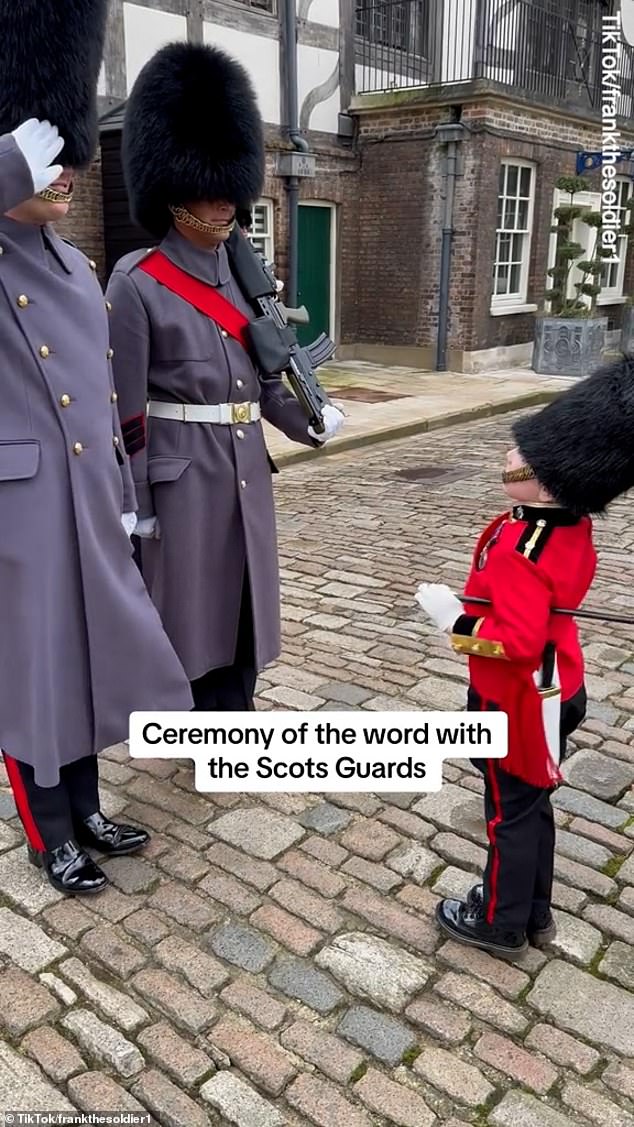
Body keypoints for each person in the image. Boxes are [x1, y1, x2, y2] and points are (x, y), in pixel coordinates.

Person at [0, 1, 193, 896]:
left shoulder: (75, 267)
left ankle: (85, 804)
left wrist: (122, 485)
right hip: (20, 510)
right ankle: (48, 832)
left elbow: (102, 394)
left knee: (86, 658)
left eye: (69, 152)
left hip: (86, 495)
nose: (69, 170)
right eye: (45, 156)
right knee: (35, 673)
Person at [107, 42, 344, 712]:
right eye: (208, 195)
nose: (223, 207)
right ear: (176, 195)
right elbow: (121, 411)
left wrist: (314, 421)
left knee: (242, 612)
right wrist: (139, 508)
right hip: (180, 482)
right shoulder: (138, 283)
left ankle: (233, 721)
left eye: (227, 193)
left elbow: (267, 382)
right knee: (191, 618)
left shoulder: (245, 279)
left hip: (243, 469)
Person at [415, 355, 634, 958]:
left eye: (524, 458)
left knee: (505, 812)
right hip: (559, 686)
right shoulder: (563, 525)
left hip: (514, 697)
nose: (511, 458)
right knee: (531, 804)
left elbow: (512, 643)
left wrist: (452, 619)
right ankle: (533, 910)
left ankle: (500, 921)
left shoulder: (524, 546)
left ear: (554, 479)